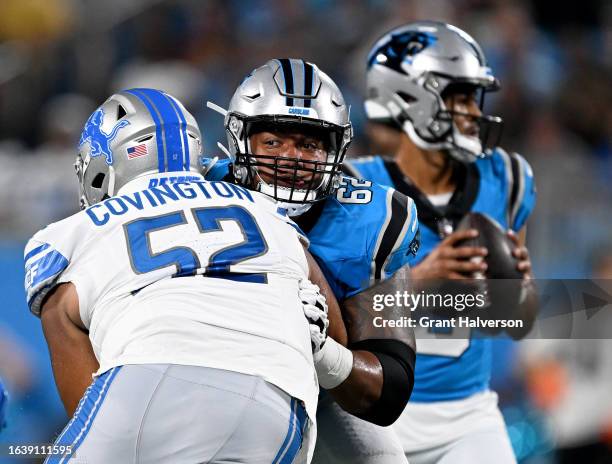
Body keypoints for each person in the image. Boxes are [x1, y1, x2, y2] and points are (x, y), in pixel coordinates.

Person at [24, 88, 337, 464]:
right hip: (280, 398)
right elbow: (336, 333)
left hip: (151, 379)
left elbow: (62, 318)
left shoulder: (75, 232)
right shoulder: (268, 210)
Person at [205, 58, 419, 463]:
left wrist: (322, 352)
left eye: (309, 144)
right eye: (273, 142)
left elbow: (389, 390)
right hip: (209, 377)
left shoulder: (369, 221)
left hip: (319, 391)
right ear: (239, 140)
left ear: (335, 150)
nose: (292, 158)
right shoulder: (199, 191)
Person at [345, 21, 538, 463]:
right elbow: (329, 320)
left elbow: (518, 323)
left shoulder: (507, 180)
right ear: (408, 98)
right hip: (370, 415)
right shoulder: (354, 190)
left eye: (475, 96)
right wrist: (417, 282)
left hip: (468, 415)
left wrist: (515, 293)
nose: (473, 111)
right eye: (459, 96)